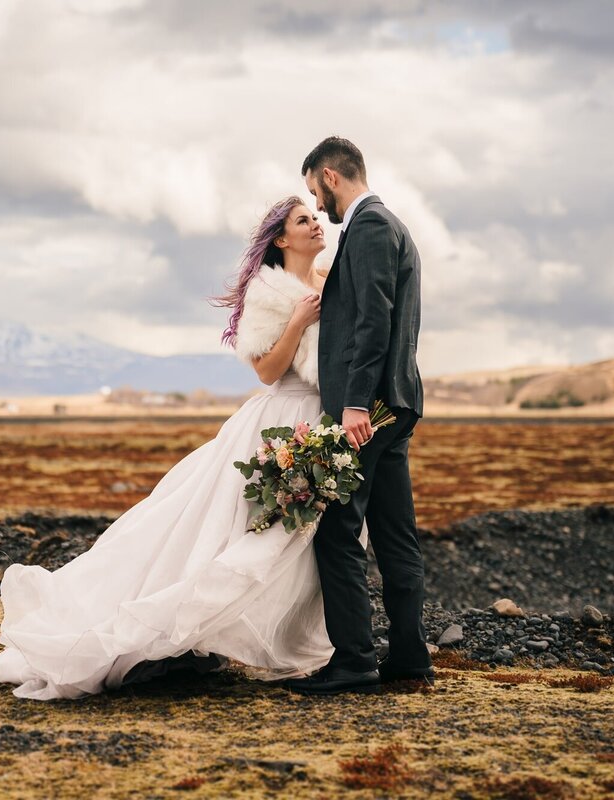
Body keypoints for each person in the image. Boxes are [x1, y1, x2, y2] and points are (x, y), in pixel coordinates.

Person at [0, 195, 359, 700]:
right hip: (281, 423)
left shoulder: (330, 279)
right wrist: (296, 321)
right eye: (303, 220)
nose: (316, 225)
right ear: (280, 239)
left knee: (304, 543)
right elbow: (268, 371)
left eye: (316, 218)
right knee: (244, 534)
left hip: (322, 422)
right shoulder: (269, 293)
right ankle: (169, 627)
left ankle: (299, 644)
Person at [283, 137, 431, 695]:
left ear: (329, 175)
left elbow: (374, 320)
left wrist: (352, 403)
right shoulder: (394, 226)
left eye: (314, 192)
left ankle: (354, 659)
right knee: (394, 532)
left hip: (368, 407)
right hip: (397, 402)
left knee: (337, 528)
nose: (317, 206)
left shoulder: (369, 227)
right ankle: (411, 656)